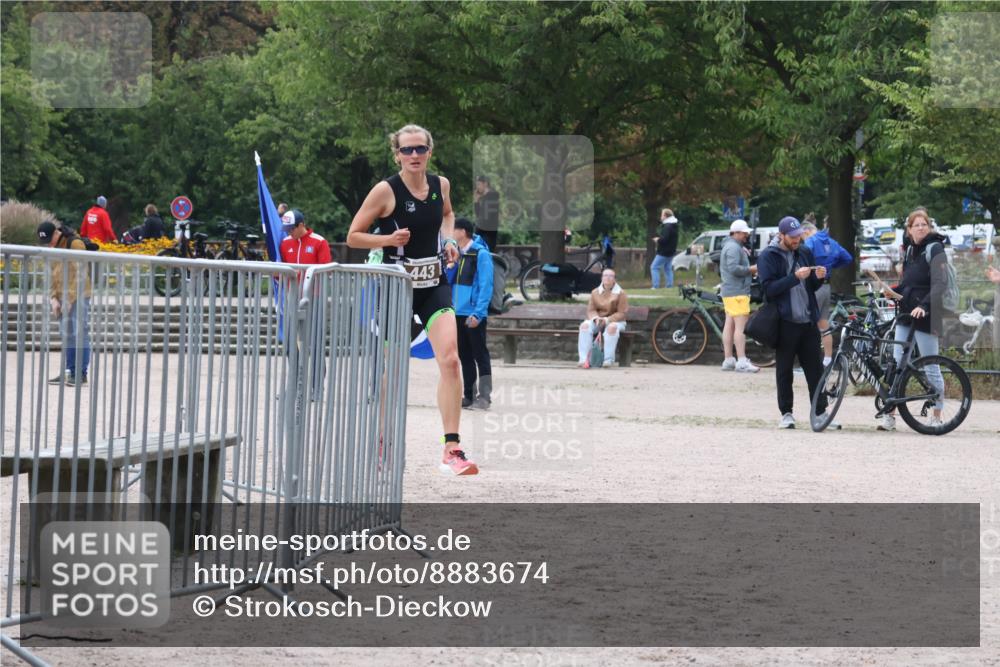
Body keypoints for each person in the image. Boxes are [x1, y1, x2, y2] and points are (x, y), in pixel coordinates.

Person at [347, 123, 476, 476]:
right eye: (407, 150)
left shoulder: (440, 185)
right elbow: (354, 236)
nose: (414, 155)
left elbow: (447, 214)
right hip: (397, 288)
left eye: (420, 149)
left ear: (430, 152)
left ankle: (452, 449)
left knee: (451, 360)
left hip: (433, 283)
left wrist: (449, 240)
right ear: (397, 155)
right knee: (394, 370)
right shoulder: (385, 191)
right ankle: (383, 443)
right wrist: (387, 240)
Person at [757, 216, 832, 429]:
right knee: (784, 370)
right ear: (781, 235)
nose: (796, 239)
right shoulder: (768, 256)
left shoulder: (804, 252)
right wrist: (794, 277)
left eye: (798, 235)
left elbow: (811, 287)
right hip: (785, 321)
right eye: (792, 237)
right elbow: (768, 289)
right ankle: (786, 413)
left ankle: (820, 413)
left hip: (808, 320)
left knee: (815, 370)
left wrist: (818, 277)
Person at [877, 209, 948, 432]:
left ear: (929, 227)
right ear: (909, 229)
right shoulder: (909, 250)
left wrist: (924, 306)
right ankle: (890, 415)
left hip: (927, 314)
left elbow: (941, 283)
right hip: (906, 314)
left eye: (924, 224)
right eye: (916, 225)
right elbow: (909, 284)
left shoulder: (935, 249)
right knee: (897, 363)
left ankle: (936, 416)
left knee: (931, 365)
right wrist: (892, 291)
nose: (921, 228)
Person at [446, 217, 494, 410]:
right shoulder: (457, 254)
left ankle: (485, 397)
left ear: (463, 232)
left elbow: (486, 286)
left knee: (480, 355)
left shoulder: (481, 254)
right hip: (456, 313)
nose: (450, 233)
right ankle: (469, 395)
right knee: (464, 356)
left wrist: (478, 313)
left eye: (453, 229)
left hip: (473, 314)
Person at [37, 222, 92, 386]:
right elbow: (52, 275)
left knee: (80, 333)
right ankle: (69, 371)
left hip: (79, 295)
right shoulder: (53, 248)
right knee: (67, 335)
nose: (49, 244)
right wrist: (53, 297)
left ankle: (80, 374)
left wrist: (69, 298)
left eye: (50, 240)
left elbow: (81, 273)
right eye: (45, 242)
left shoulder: (74, 243)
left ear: (56, 233)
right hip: (62, 296)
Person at [802, 217, 853, 366]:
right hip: (826, 287)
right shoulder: (832, 242)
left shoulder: (810, 241)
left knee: (808, 325)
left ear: (806, 232)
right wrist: (831, 266)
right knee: (824, 323)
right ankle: (827, 360)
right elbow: (847, 258)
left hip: (813, 287)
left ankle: (810, 362)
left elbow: (803, 258)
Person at [720, 219, 759, 373]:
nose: (746, 236)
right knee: (740, 327)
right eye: (744, 233)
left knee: (729, 325)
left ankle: (729, 359)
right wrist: (751, 269)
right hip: (737, 292)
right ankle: (742, 361)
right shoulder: (734, 247)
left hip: (730, 291)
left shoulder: (730, 246)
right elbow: (733, 268)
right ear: (735, 233)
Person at [578, 268, 629, 368]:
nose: (608, 278)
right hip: (597, 320)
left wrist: (607, 320)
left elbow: (622, 313)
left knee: (611, 328)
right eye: (605, 275)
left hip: (616, 321)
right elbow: (591, 310)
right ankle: (584, 360)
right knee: (584, 326)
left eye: (611, 276)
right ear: (601, 278)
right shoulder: (595, 292)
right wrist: (595, 318)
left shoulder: (621, 293)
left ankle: (608, 360)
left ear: (614, 279)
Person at [650, 208, 678, 289]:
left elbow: (664, 239)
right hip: (671, 251)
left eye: (662, 215)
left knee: (654, 267)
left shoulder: (667, 226)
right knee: (667, 268)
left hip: (664, 252)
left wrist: (657, 239)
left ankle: (655, 286)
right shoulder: (674, 225)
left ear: (665, 216)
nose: (661, 217)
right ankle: (669, 286)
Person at [473, 176, 500, 252]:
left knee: (487, 251)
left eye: (479, 184)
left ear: (485, 184)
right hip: (482, 229)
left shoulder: (493, 195)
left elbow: (488, 216)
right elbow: (478, 214)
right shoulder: (484, 197)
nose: (477, 187)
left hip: (488, 230)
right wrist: (476, 201)